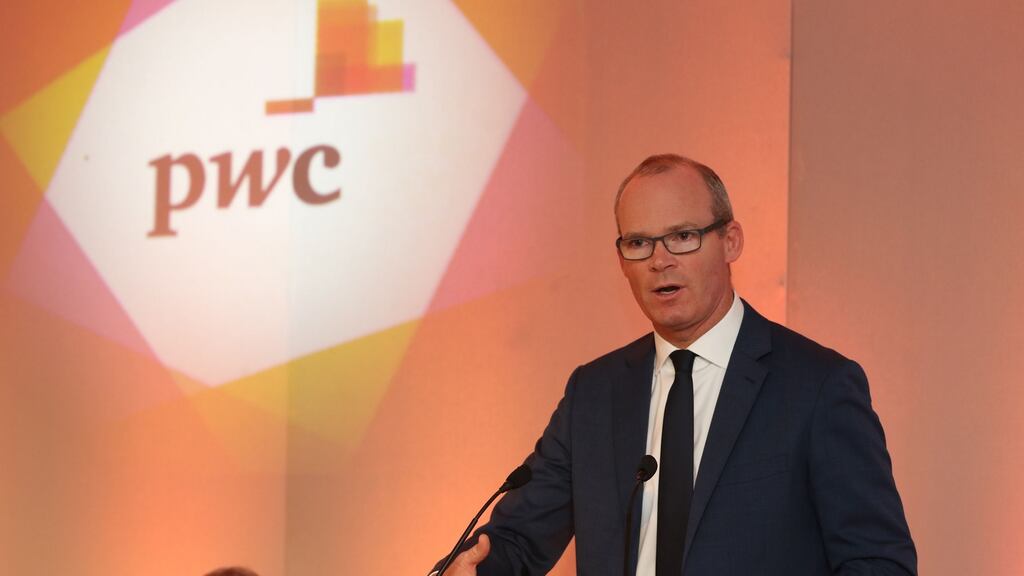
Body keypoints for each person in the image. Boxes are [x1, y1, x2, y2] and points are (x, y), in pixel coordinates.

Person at [439, 154, 916, 575]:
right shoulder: (595, 392)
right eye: (639, 243)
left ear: (730, 241)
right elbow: (518, 540)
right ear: (621, 259)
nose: (659, 261)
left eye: (683, 237)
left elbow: (878, 562)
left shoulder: (817, 386)